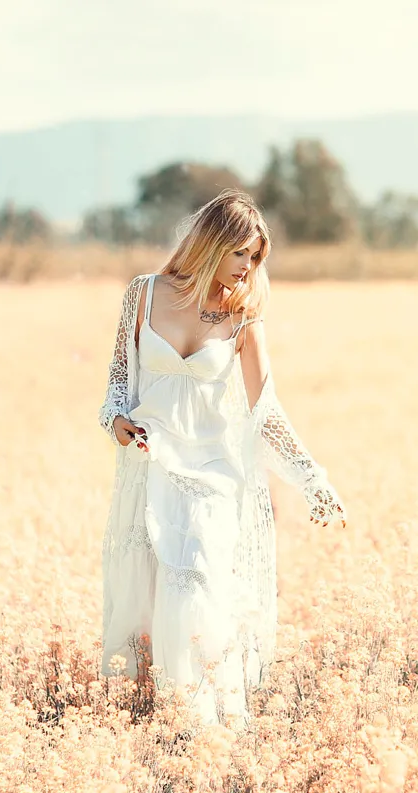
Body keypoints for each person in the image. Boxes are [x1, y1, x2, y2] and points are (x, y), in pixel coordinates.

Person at [96, 189, 346, 726]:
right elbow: (119, 382)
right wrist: (119, 424)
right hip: (151, 466)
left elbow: (267, 413)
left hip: (213, 477)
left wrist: (313, 480)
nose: (248, 269)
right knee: (154, 592)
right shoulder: (142, 295)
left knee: (199, 583)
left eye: (256, 259)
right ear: (214, 243)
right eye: (242, 254)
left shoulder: (243, 321)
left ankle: (203, 722)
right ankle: (161, 720)